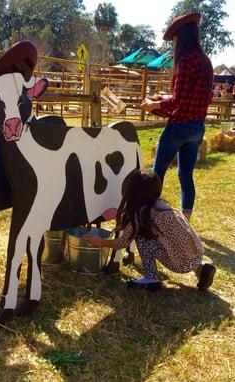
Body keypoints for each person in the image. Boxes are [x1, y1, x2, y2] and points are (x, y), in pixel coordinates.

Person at [84, 169, 216, 291]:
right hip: (197, 256)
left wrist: (101, 242)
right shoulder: (161, 205)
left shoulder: (140, 214)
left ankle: (151, 278)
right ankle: (201, 271)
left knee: (143, 238)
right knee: (166, 240)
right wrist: (126, 225)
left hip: (180, 265)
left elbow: (123, 242)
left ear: (132, 191)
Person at [140, 12, 213, 222]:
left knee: (157, 173)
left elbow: (179, 99)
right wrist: (165, 100)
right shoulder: (205, 61)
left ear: (181, 37)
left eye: (175, 38)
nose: (174, 43)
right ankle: (186, 222)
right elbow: (196, 97)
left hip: (179, 127)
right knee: (185, 175)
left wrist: (154, 103)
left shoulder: (185, 61)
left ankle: (149, 216)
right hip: (197, 127)